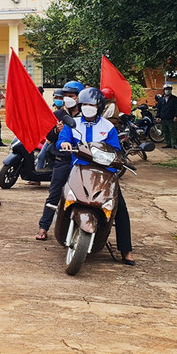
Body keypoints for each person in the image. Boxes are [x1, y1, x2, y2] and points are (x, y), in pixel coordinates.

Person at [57, 87, 135, 265]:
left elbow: (115, 149)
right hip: (79, 168)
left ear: (98, 106)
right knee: (60, 193)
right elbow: (63, 139)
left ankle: (126, 250)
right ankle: (47, 226)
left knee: (119, 208)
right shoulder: (73, 123)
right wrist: (66, 144)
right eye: (84, 104)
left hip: (104, 172)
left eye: (91, 104)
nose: (87, 107)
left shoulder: (108, 127)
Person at [35, 80, 83, 240]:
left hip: (82, 162)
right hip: (62, 160)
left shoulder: (86, 117)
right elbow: (48, 138)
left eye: (71, 96)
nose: (67, 99)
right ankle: (43, 227)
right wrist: (56, 130)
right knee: (54, 193)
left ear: (79, 97)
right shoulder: (57, 115)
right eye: (65, 96)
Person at [156, 84, 177, 149]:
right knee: (165, 131)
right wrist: (158, 116)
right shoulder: (161, 99)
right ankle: (168, 143)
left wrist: (176, 116)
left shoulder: (175, 99)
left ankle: (175, 144)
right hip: (163, 118)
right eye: (167, 89)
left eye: (169, 89)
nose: (168, 91)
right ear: (164, 90)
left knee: (173, 132)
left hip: (171, 118)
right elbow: (159, 108)